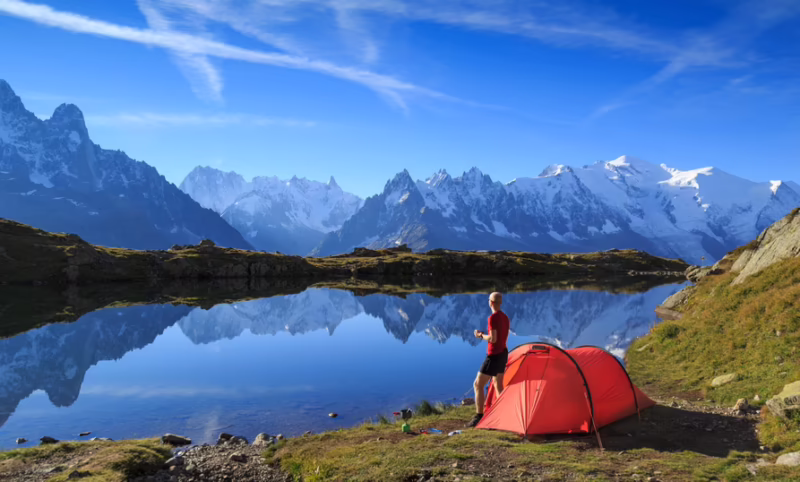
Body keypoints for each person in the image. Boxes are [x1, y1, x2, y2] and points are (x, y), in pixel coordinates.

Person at [466, 291, 510, 428]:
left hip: (493, 355)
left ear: (491, 302)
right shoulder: (505, 317)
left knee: (478, 384)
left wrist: (480, 335)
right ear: (500, 303)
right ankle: (503, 413)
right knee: (498, 385)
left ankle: (479, 416)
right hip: (503, 353)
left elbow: (493, 338)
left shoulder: (493, 318)